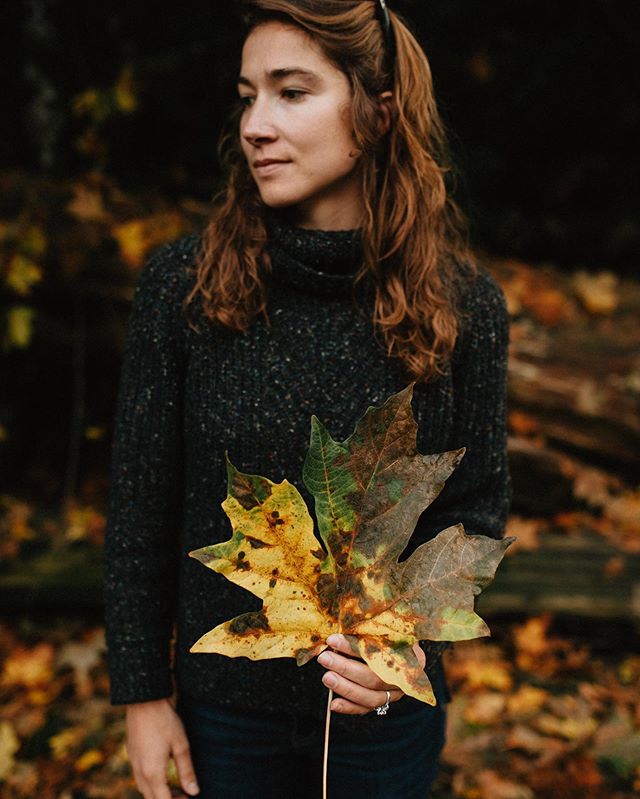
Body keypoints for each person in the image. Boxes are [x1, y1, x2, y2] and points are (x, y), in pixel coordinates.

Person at [103, 1, 512, 798]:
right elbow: (139, 509)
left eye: (291, 92)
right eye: (248, 94)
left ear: (378, 112)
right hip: (223, 716)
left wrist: (407, 654)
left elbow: (475, 509)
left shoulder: (464, 305)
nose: (256, 123)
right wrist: (142, 696)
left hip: (384, 718)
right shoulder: (183, 288)